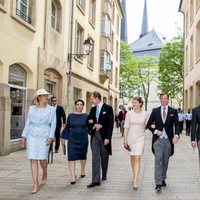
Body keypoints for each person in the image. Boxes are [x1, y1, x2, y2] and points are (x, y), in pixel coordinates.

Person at [20, 88, 56, 194]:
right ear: (38, 97)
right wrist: (23, 136)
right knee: (33, 159)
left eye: (46, 95)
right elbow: (28, 123)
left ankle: (44, 172)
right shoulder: (31, 109)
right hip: (32, 136)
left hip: (44, 135)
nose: (46, 97)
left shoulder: (51, 110)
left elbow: (53, 124)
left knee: (42, 159)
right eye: (44, 95)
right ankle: (35, 183)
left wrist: (51, 136)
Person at [147, 93, 179, 192]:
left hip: (168, 140)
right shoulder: (155, 111)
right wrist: (155, 131)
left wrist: (176, 135)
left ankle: (163, 178)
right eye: (162, 99)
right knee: (158, 161)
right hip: (157, 140)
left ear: (168, 100)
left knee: (165, 161)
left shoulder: (173, 111)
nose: (164, 100)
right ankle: (158, 183)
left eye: (166, 98)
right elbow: (148, 124)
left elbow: (177, 124)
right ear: (160, 100)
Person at [87, 91, 114, 188]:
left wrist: (108, 137)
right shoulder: (93, 109)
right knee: (95, 158)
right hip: (95, 135)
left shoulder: (108, 108)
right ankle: (95, 180)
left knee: (104, 156)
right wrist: (93, 125)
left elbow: (110, 124)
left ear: (96, 98)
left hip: (104, 136)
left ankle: (104, 174)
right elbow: (89, 120)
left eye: (91, 98)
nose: (90, 100)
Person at [61, 99, 88, 184]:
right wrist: (63, 138)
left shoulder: (86, 116)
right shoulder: (71, 116)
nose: (79, 106)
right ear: (75, 106)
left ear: (83, 106)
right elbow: (67, 127)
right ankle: (73, 176)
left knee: (83, 156)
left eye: (81, 105)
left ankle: (82, 170)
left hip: (83, 139)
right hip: (72, 139)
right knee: (71, 156)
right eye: (78, 105)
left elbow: (90, 128)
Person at [123, 97, 148, 189]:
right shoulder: (129, 114)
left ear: (140, 103)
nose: (133, 104)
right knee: (133, 157)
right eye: (133, 102)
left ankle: (136, 179)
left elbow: (147, 125)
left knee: (137, 157)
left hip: (140, 138)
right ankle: (134, 175)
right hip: (130, 138)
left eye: (135, 102)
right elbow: (126, 126)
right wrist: (125, 139)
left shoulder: (145, 114)